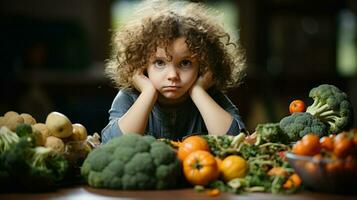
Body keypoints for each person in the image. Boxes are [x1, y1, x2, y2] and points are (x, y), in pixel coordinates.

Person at [101, 0, 246, 144]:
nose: (172, 76)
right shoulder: (129, 97)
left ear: (203, 66)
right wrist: (148, 92)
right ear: (142, 65)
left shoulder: (211, 96)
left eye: (185, 63)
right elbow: (113, 144)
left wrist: (197, 91)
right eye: (159, 63)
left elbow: (236, 141)